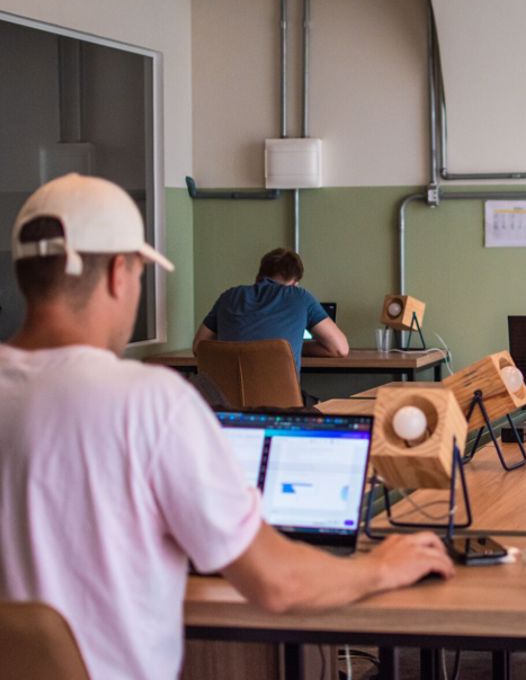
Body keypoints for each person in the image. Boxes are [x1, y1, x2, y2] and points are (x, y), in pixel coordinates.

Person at [0, 174, 453, 680]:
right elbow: (278, 583)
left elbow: (199, 346)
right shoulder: (150, 404)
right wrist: (383, 565)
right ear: (119, 273)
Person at [193, 247, 349, 373]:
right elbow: (340, 349)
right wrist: (290, 347)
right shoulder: (300, 297)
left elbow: (199, 347)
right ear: (295, 283)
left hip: (226, 407)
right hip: (283, 409)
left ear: (258, 276)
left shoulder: (228, 296)